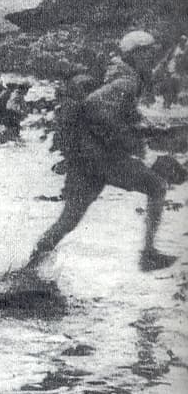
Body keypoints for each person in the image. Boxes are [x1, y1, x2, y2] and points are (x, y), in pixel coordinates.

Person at [22, 30, 177, 275]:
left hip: (85, 159)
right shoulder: (127, 81)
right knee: (157, 187)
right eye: (147, 52)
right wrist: (129, 139)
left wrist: (145, 125)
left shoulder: (119, 76)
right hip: (105, 159)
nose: (152, 57)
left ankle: (28, 268)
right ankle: (147, 254)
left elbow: (111, 109)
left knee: (68, 221)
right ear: (135, 54)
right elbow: (95, 106)